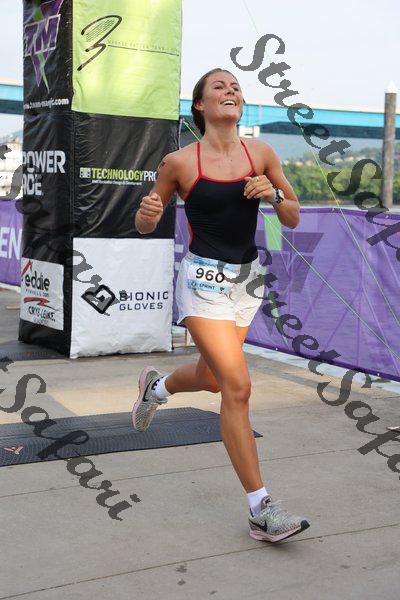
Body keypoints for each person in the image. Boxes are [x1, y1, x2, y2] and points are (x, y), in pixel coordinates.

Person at [132, 67, 310, 542]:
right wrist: (146, 214)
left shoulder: (262, 153)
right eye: (219, 86)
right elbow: (146, 222)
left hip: (247, 281)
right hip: (203, 282)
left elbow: (292, 216)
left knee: (212, 378)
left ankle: (157, 389)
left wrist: (274, 193)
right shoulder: (178, 162)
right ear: (201, 106)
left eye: (235, 87)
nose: (231, 91)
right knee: (237, 386)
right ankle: (260, 509)